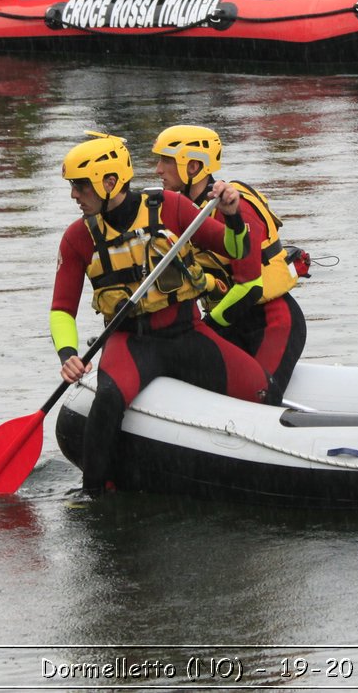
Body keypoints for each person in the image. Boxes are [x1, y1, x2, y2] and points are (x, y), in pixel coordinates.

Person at [51, 133, 273, 495]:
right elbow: (62, 309)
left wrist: (232, 217)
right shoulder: (77, 238)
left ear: (109, 182)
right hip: (132, 344)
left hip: (187, 333)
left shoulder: (170, 206)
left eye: (80, 186)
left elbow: (234, 248)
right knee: (107, 402)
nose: (74, 195)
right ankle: (93, 495)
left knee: (261, 389)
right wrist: (67, 354)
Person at [151, 125, 307, 405]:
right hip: (230, 324)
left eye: (165, 161)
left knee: (259, 398)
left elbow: (249, 289)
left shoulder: (234, 208)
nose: (158, 170)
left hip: (271, 323)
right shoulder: (180, 210)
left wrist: (207, 329)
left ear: (193, 165)